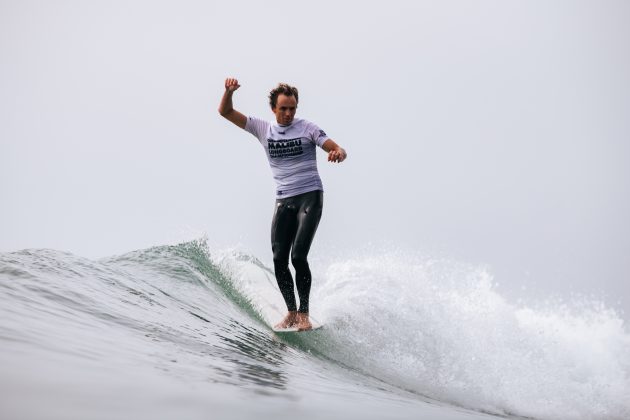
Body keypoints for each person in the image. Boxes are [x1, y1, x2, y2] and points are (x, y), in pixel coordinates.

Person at [218, 78, 347, 331]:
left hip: (310, 196)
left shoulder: (308, 128)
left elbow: (336, 147)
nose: (288, 113)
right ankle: (290, 312)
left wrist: (338, 153)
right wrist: (228, 92)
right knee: (279, 259)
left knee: (298, 256)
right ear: (273, 109)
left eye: (292, 109)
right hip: (284, 199)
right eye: (283, 109)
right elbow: (225, 112)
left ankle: (304, 314)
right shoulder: (262, 129)